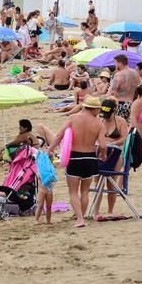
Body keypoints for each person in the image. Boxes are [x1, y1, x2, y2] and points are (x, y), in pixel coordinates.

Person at [48, 96, 107, 228]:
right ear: (94, 109)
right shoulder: (99, 124)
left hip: (74, 158)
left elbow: (59, 136)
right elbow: (103, 145)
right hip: (90, 158)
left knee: (73, 192)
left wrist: (50, 150)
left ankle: (80, 219)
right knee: (85, 191)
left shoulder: (73, 118)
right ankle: (82, 216)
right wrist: (103, 155)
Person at [93, 98, 129, 220]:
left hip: (116, 152)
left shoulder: (120, 122)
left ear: (114, 111)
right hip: (101, 150)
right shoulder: (100, 120)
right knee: (97, 182)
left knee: (111, 183)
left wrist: (113, 143)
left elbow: (124, 138)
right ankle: (96, 210)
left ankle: (110, 210)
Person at [109, 54, 140, 121]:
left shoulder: (119, 74)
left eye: (115, 63)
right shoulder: (135, 73)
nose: (115, 65)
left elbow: (113, 92)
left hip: (120, 104)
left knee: (119, 126)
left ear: (119, 63)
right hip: (132, 104)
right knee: (128, 127)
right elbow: (138, 89)